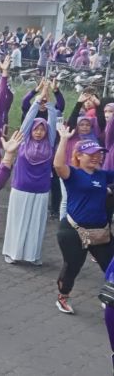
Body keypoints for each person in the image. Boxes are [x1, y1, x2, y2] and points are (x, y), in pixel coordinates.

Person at [53, 127, 114, 315]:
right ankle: (63, 297)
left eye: (99, 154)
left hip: (100, 232)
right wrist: (63, 139)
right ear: (79, 156)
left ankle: (109, 298)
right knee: (72, 267)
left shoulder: (103, 175)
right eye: (91, 154)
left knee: (111, 265)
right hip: (73, 231)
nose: (96, 157)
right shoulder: (73, 174)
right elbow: (57, 166)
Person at [1, 92, 57, 265]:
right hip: (21, 187)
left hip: (41, 189)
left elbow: (53, 119)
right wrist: (38, 100)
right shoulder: (22, 141)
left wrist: (48, 104)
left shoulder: (50, 142)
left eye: (42, 129)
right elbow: (27, 121)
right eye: (36, 129)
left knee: (36, 224)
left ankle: (33, 255)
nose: (39, 132)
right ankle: (12, 252)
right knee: (17, 221)